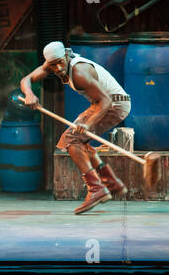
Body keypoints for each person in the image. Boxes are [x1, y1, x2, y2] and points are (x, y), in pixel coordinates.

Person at [20, 41, 130, 214]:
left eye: (59, 62)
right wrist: (29, 93)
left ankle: (96, 189)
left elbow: (106, 102)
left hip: (115, 104)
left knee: (72, 140)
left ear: (66, 55)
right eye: (52, 65)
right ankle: (110, 182)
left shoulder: (79, 71)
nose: (57, 68)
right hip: (101, 103)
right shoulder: (53, 64)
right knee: (80, 142)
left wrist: (88, 124)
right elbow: (26, 79)